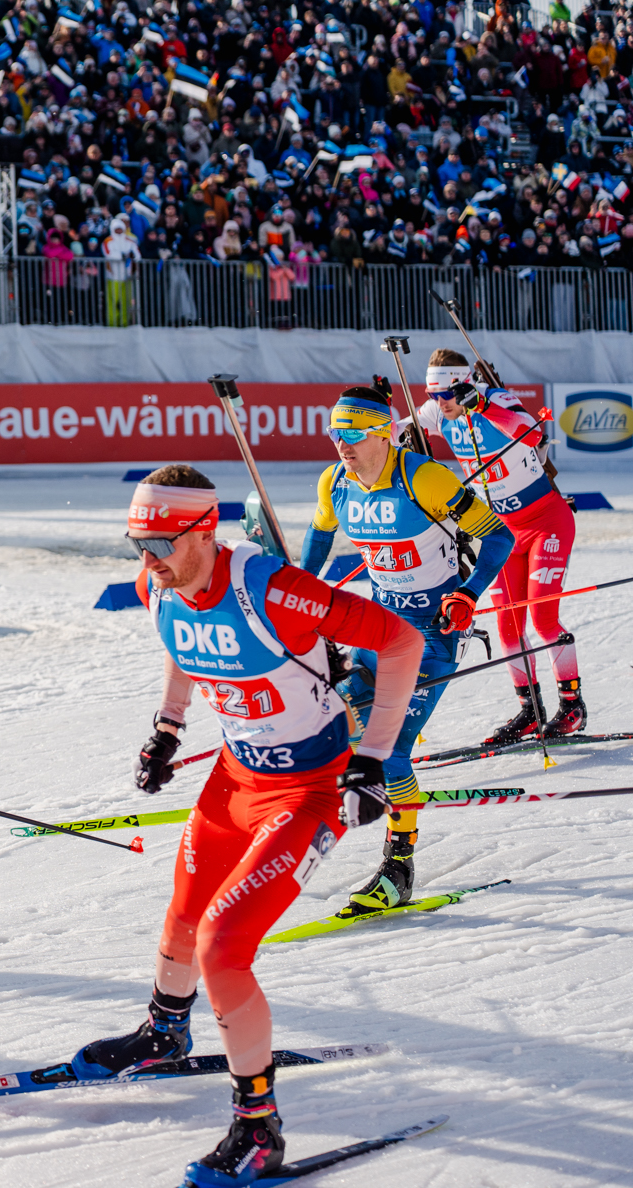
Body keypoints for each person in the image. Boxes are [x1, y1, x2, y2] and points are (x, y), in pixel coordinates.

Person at [73, 464, 422, 1186]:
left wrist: (372, 759)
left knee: (223, 946)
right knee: (181, 918)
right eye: (138, 543)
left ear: (204, 530)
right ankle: (164, 1033)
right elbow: (180, 641)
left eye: (162, 542)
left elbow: (398, 642)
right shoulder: (157, 584)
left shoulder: (270, 589)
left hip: (306, 791)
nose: (149, 558)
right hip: (234, 778)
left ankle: (259, 1129)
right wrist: (168, 727)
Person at [298, 386, 513, 917]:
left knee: (389, 748)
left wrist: (468, 594)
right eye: (335, 433)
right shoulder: (334, 482)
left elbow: (499, 537)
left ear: (383, 434)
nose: (342, 444)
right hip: (378, 628)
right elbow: (319, 540)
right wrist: (297, 593)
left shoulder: (425, 478)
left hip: (434, 633)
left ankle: (399, 866)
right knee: (332, 719)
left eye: (353, 433)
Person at [416, 350, 582, 741]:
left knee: (542, 619)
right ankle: (530, 711)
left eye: (446, 394)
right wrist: (379, 407)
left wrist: (483, 405)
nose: (439, 402)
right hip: (503, 533)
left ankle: (572, 706)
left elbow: (532, 433)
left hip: (546, 522)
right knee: (508, 628)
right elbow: (393, 429)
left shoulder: (497, 398)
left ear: (464, 384)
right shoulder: (440, 411)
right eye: (432, 394)